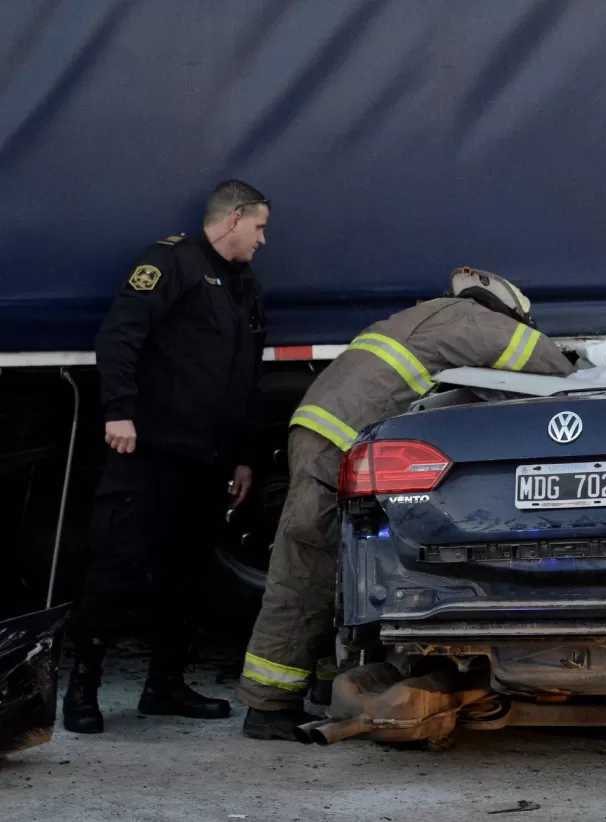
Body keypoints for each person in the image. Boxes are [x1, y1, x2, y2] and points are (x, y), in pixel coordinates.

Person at [238, 268, 575, 740]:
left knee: (344, 567)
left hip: (327, 434)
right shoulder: (472, 320)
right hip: (338, 443)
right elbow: (544, 360)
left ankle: (317, 687)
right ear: (505, 310)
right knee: (308, 565)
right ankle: (267, 705)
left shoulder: (428, 316)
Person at [64, 180, 271, 734]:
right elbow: (120, 338)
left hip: (208, 461)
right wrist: (118, 411)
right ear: (232, 220)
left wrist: (244, 457)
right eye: (259, 227)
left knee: (189, 576)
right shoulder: (170, 263)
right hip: (149, 452)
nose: (263, 240)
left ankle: (165, 685)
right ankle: (82, 690)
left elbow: (248, 378)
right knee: (117, 568)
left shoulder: (245, 286)